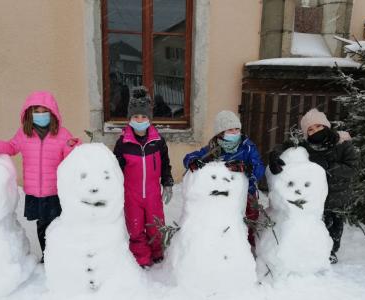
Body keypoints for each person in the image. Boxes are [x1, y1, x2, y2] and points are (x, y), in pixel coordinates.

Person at [0, 91, 81, 261]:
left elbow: (69, 156)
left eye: (45, 111)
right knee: (42, 225)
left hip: (54, 191)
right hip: (35, 192)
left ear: (53, 113)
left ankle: (58, 256)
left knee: (57, 225)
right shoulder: (24, 134)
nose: (41, 115)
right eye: (37, 111)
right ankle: (46, 255)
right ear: (30, 113)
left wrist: (73, 145)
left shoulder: (62, 134)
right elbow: (11, 147)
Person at [268, 108, 358, 264]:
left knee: (334, 223)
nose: (315, 131)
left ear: (326, 126)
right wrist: (275, 155)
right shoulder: (307, 145)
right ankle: (313, 250)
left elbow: (353, 169)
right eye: (310, 129)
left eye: (318, 126)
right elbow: (286, 145)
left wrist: (330, 166)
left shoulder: (343, 144)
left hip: (336, 194)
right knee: (317, 223)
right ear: (306, 133)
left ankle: (331, 251)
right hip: (315, 195)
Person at [183, 110, 266, 247]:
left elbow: (259, 169)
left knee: (250, 219)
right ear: (220, 133)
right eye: (230, 130)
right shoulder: (213, 148)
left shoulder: (247, 147)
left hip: (247, 192)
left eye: (237, 129)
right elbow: (189, 157)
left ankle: (249, 245)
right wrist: (193, 161)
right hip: (223, 196)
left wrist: (247, 168)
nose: (235, 133)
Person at [113, 86, 174, 268]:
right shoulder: (123, 143)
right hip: (131, 195)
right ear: (130, 119)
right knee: (136, 227)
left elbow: (165, 164)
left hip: (153, 193)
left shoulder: (157, 141)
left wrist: (168, 182)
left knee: (155, 225)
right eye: (135, 117)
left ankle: (157, 252)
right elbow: (115, 170)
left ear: (149, 118)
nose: (140, 120)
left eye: (143, 116)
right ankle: (142, 257)